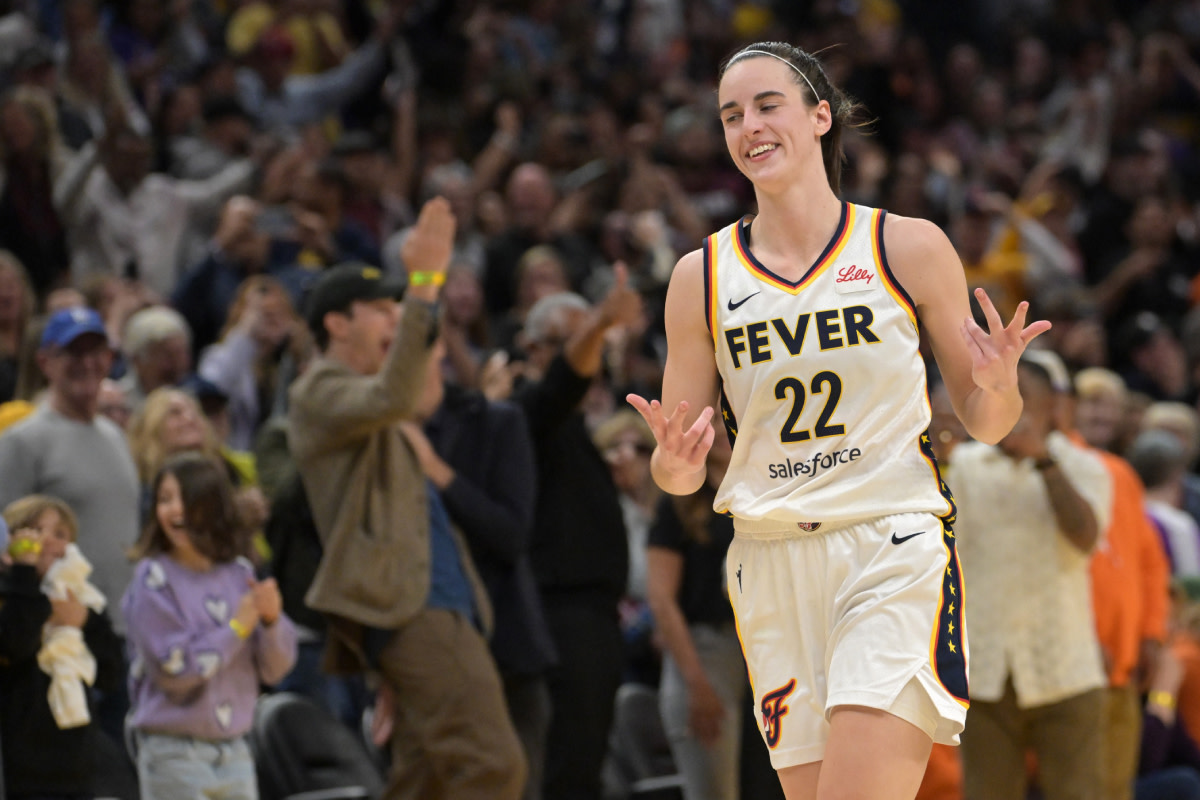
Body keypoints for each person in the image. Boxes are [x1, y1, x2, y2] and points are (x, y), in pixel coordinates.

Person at [626, 41, 1049, 800]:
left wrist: (999, 384)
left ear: (822, 116)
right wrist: (675, 461)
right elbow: (679, 468)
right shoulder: (702, 276)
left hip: (888, 545)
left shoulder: (907, 245)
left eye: (766, 105)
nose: (748, 125)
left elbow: (987, 422)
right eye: (730, 115)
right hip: (769, 560)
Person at [287, 198, 525, 799]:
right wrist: (422, 283)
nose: (395, 318)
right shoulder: (320, 390)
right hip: (413, 606)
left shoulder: (377, 405)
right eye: (378, 308)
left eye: (397, 308)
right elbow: (397, 395)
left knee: (428, 782)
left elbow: (410, 394)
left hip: (429, 602)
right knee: (491, 765)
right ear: (336, 324)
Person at [952, 358, 1111, 800]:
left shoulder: (1085, 467)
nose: (1012, 411)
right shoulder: (961, 466)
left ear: (1052, 409)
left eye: (1024, 401)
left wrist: (1044, 462)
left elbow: (1084, 537)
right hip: (984, 670)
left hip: (1067, 667)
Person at [122, 452, 297, 800]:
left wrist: (273, 620)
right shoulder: (153, 579)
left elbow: (275, 669)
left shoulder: (239, 573)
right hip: (174, 751)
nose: (175, 510)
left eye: (187, 499)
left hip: (236, 749)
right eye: (165, 499)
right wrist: (237, 627)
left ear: (214, 507)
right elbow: (174, 670)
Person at [0, 494, 127, 800]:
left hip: (77, 763)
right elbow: (15, 643)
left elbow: (111, 675)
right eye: (33, 529)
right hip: (20, 766)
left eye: (60, 534)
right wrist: (24, 575)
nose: (48, 541)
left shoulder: (83, 600)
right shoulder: (10, 596)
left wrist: (84, 621)